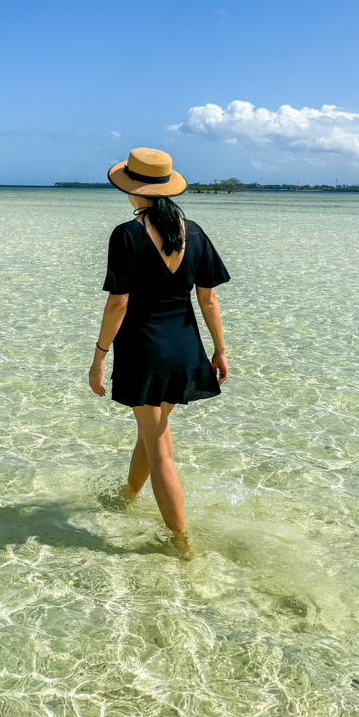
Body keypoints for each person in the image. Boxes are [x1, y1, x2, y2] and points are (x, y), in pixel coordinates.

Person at [89, 148, 230, 556]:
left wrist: (99, 356)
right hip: (186, 349)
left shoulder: (127, 234)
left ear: (132, 190)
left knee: (161, 449)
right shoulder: (195, 232)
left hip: (143, 352)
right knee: (150, 437)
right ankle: (125, 500)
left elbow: (118, 304)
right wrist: (220, 351)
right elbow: (208, 301)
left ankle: (181, 541)